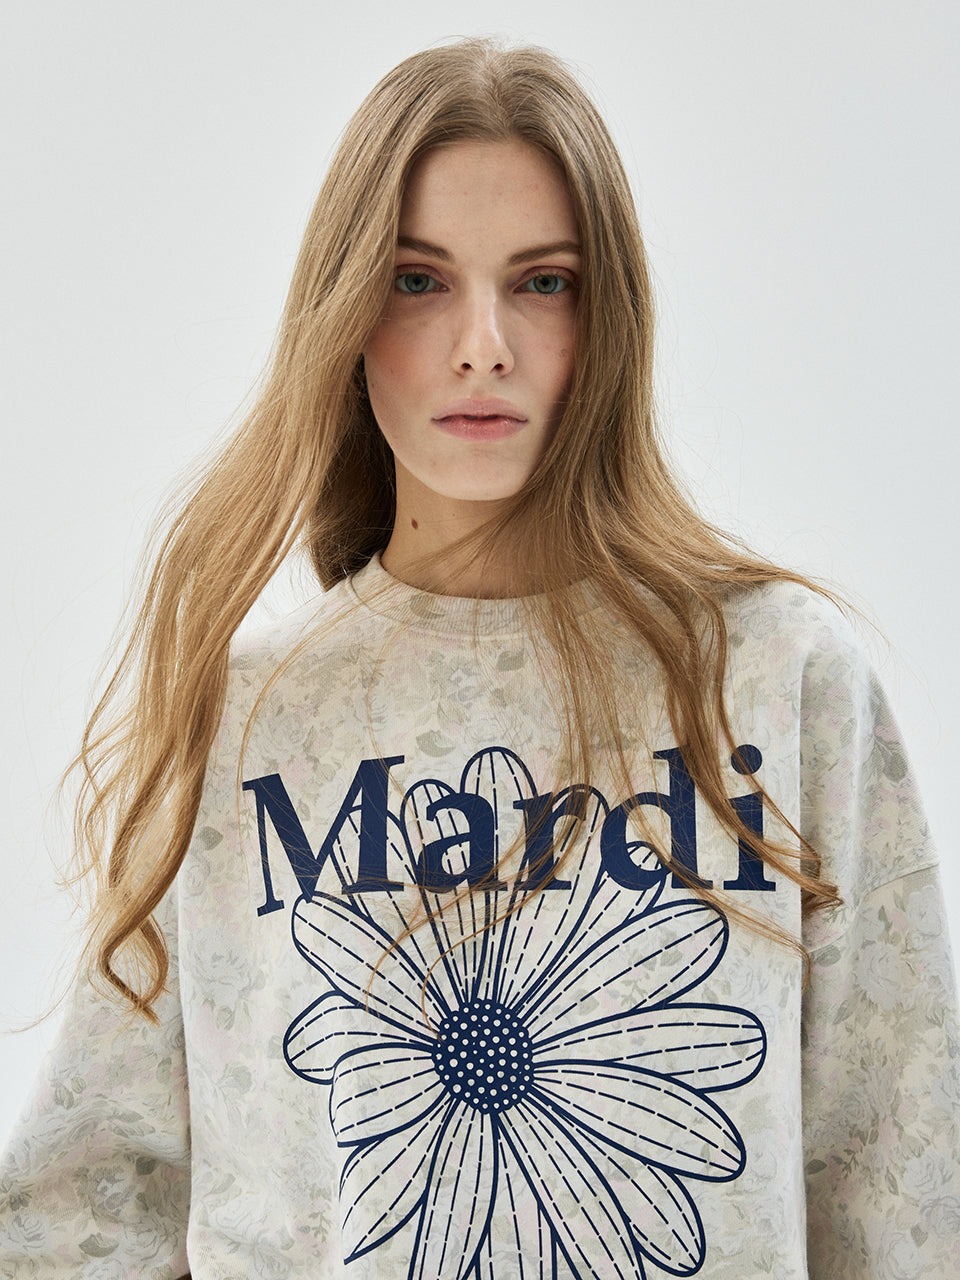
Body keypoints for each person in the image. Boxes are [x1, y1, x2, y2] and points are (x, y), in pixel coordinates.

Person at [1, 35, 957, 1280]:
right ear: (345, 311)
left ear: (610, 319)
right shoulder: (252, 713)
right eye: (418, 279)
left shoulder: (781, 682)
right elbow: (82, 1216)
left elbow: (903, 1184)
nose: (484, 343)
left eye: (543, 282)